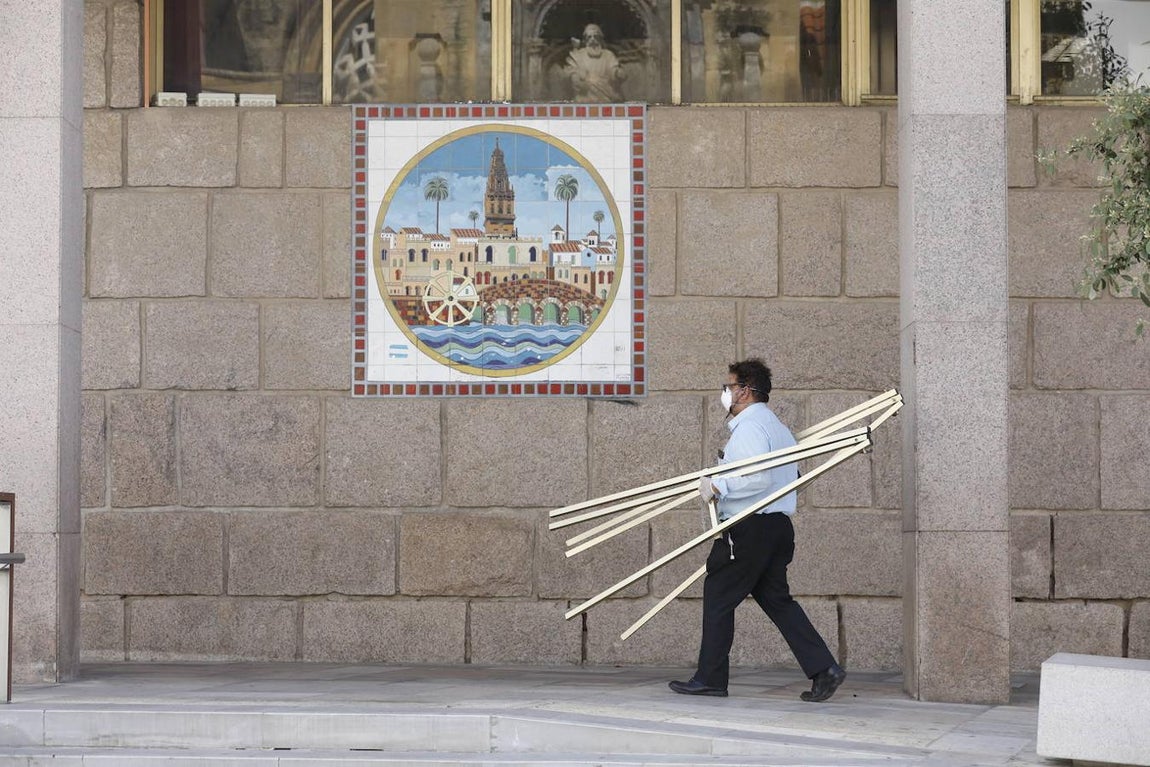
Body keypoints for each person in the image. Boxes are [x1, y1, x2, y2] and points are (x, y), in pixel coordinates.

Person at [669, 358, 846, 702]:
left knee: (718, 596)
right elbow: (786, 477)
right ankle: (824, 668)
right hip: (776, 527)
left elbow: (756, 476)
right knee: (778, 601)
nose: (726, 392)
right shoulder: (778, 428)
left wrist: (719, 485)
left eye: (730, 386)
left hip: (749, 528)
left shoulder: (750, 428)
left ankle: (711, 678)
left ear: (745, 391)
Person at [565, 23, 625, 102]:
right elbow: (571, 70)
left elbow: (613, 70)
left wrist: (617, 73)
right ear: (585, 40)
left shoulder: (608, 54)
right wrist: (575, 77)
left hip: (605, 94)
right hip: (584, 96)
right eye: (589, 37)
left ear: (600, 39)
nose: (592, 39)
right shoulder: (578, 55)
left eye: (595, 36)